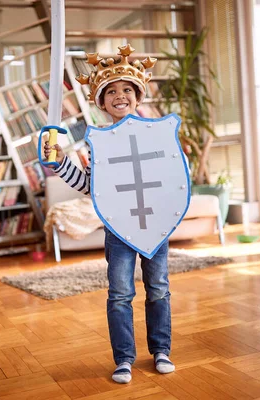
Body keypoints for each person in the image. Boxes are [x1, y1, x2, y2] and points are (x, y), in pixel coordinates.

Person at [43, 44, 175, 384]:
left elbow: (173, 178)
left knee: (158, 288)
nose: (120, 96)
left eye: (127, 90)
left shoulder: (157, 134)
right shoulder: (97, 141)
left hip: (154, 224)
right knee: (120, 293)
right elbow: (91, 186)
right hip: (118, 227)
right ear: (101, 102)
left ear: (138, 96)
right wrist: (59, 163)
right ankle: (124, 359)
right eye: (111, 91)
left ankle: (161, 350)